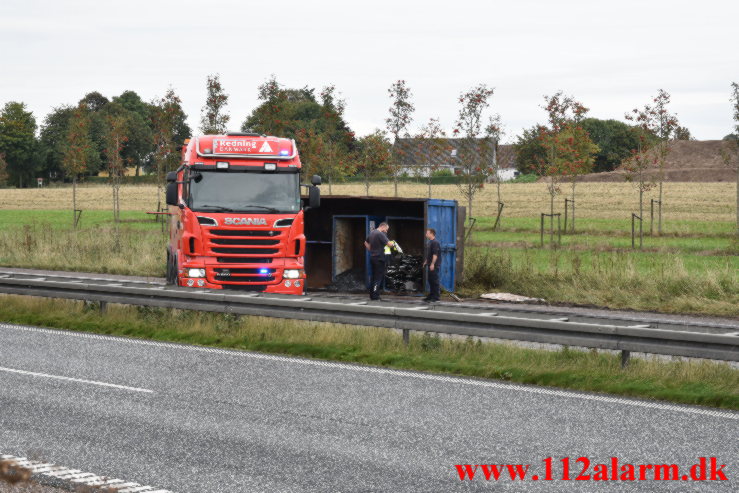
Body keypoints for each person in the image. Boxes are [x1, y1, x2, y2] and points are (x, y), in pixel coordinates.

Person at [364, 222, 394, 300]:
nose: (386, 231)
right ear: (383, 227)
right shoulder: (380, 234)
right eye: (386, 230)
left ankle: (372, 295)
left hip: (373, 257)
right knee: (378, 278)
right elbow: (389, 244)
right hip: (379, 258)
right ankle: (375, 296)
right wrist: (393, 244)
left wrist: (371, 250)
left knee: (374, 277)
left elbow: (365, 242)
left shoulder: (372, 233)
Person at [422, 228, 441, 302]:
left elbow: (435, 255)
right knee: (430, 280)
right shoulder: (430, 242)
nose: (426, 234)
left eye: (427, 233)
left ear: (432, 234)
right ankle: (431, 295)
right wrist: (426, 261)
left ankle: (436, 297)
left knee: (434, 281)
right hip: (430, 264)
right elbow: (429, 254)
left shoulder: (435, 243)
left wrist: (433, 264)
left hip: (434, 265)